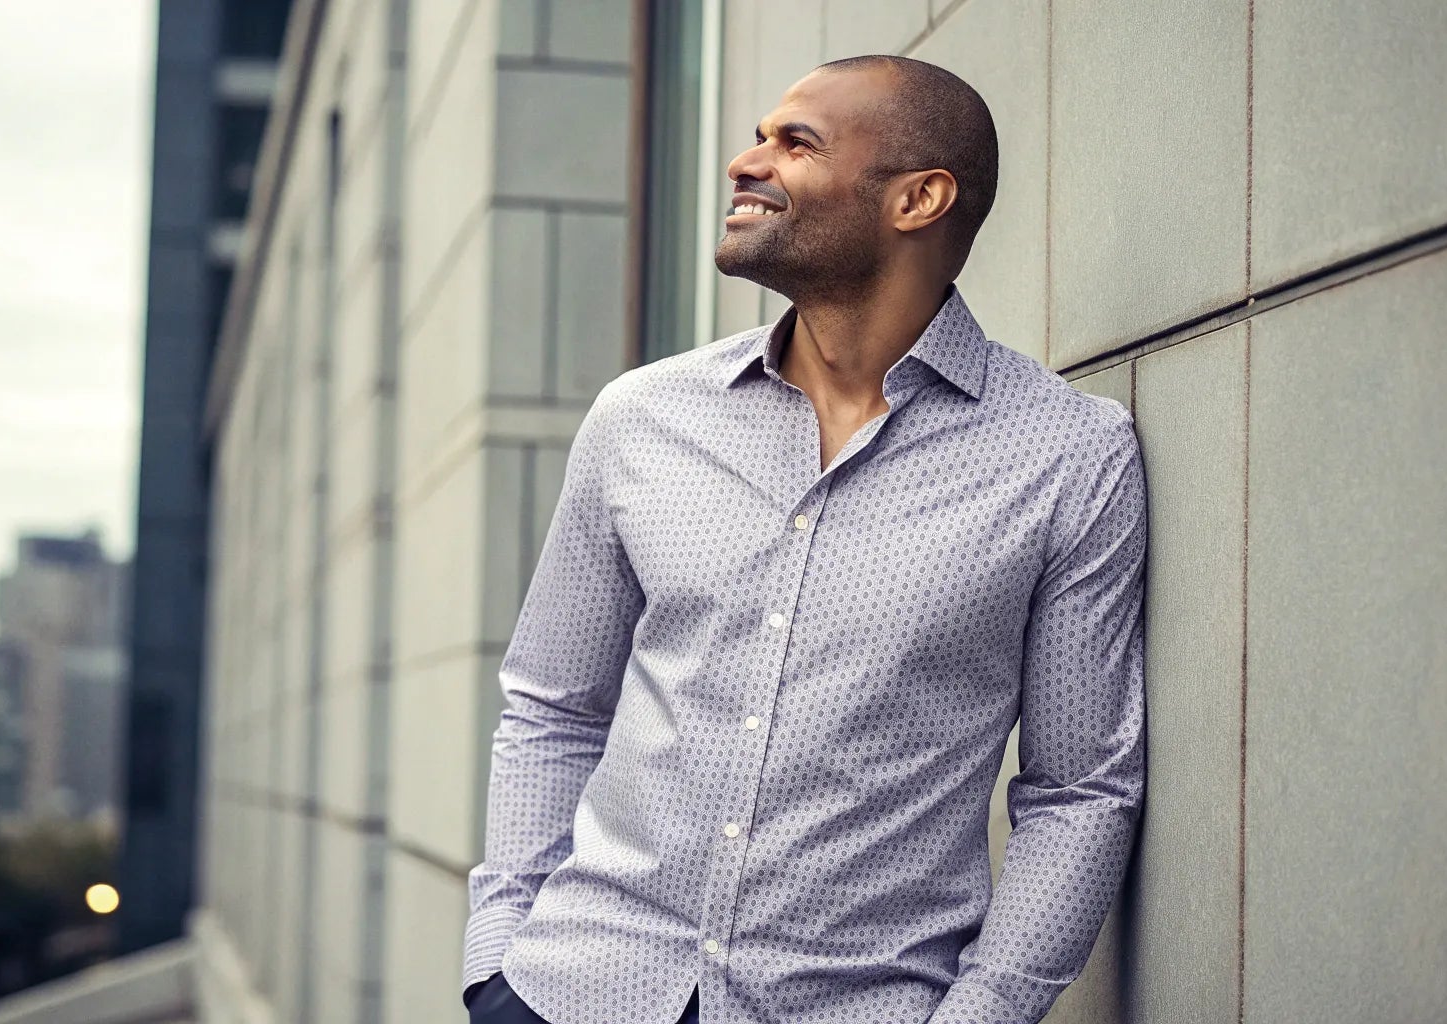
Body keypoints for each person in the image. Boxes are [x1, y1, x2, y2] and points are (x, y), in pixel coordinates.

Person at [462, 54, 1148, 1024]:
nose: (747, 162)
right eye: (755, 135)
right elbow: (552, 704)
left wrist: (979, 1014)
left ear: (918, 198)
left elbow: (1079, 787)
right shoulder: (641, 419)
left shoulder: (1067, 458)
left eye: (795, 144)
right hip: (573, 992)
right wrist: (498, 959)